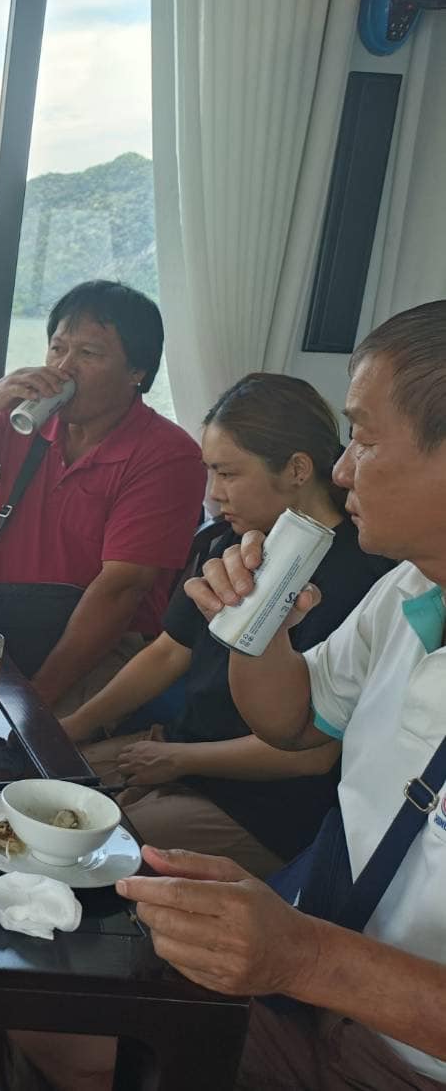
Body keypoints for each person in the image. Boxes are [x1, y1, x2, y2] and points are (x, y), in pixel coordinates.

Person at [9, 301, 446, 1091]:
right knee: (36, 1006)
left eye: (365, 440)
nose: (343, 469)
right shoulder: (410, 592)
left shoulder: (370, 575)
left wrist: (303, 956)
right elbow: (290, 723)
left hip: (403, 1049)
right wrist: (255, 628)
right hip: (322, 990)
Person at [62, 373, 394, 877]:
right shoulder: (231, 543)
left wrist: (181, 759)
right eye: (210, 473)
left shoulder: (360, 577)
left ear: (297, 469)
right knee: (41, 782)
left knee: (84, 845)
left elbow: (310, 755)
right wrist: (73, 726)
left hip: (259, 809)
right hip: (182, 754)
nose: (215, 495)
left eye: (228, 474)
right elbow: (168, 651)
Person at [0, 281, 205, 712]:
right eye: (57, 348)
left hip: (99, 650)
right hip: (9, 628)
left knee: (12, 741)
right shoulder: (29, 421)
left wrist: (33, 702)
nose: (64, 368)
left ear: (137, 371)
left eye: (89, 354)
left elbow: (121, 591)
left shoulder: (167, 454)